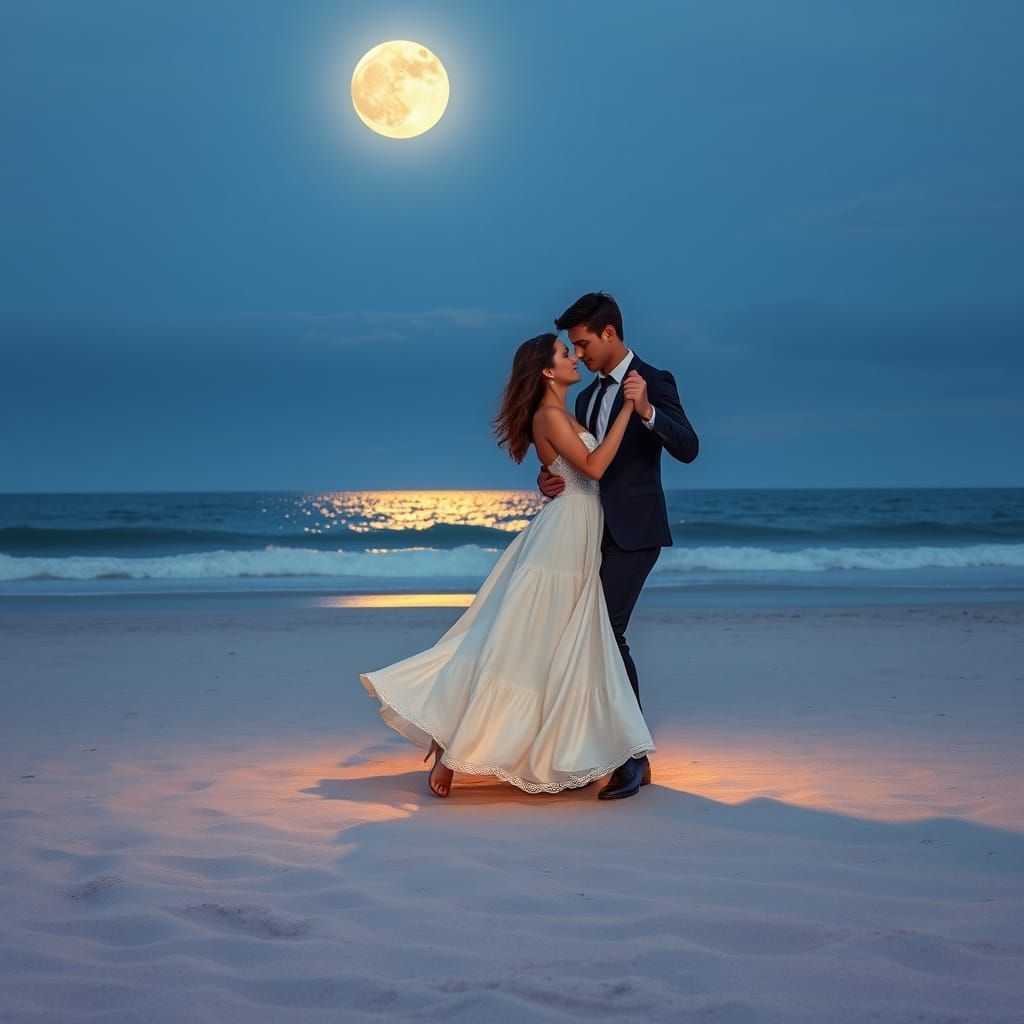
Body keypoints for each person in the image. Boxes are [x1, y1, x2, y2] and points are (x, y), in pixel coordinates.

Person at [360, 332, 655, 798]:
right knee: (518, 641)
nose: (574, 357)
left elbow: (577, 470)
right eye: (564, 353)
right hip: (563, 539)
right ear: (546, 371)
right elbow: (595, 468)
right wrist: (626, 412)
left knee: (554, 646)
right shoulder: (550, 414)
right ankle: (450, 748)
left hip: (579, 533)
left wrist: (554, 472)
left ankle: (572, 749)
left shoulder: (562, 414)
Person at [538, 291, 699, 799]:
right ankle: (593, 749)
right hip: (584, 531)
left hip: (635, 531)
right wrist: (550, 479)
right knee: (581, 635)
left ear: (610, 333)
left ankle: (633, 757)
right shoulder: (585, 398)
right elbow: (584, 461)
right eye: (573, 348)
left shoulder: (654, 379)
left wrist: (647, 409)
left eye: (583, 344)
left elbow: (689, 447)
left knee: (607, 633)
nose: (579, 355)